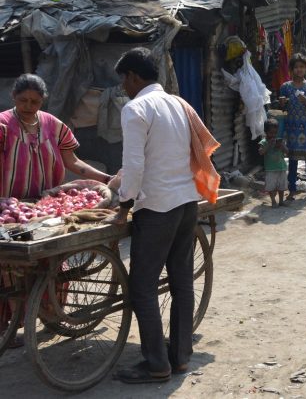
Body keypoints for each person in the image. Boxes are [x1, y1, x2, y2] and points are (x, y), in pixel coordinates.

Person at [111, 47, 219, 383]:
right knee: (181, 282)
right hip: (187, 203)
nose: (123, 88)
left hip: (157, 208)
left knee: (142, 287)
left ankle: (156, 363)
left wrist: (123, 205)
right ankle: (180, 356)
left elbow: (134, 167)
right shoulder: (180, 104)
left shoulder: (135, 109)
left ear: (133, 77)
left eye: (124, 81)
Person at [0, 73, 113, 349]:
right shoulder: (3, 125)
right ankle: (8, 325)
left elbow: (73, 161)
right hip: (9, 208)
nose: (29, 106)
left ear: (42, 100)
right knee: (9, 267)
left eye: (35, 101)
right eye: (23, 100)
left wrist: (107, 181)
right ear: (14, 97)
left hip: (45, 208)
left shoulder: (53, 126)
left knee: (51, 261)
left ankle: (50, 314)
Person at [278, 54, 306, 200]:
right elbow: (281, 109)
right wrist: (282, 103)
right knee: (293, 159)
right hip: (291, 127)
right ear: (291, 70)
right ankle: (292, 190)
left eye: (302, 67)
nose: (299, 70)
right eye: (296, 67)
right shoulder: (285, 87)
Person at [259, 118, 288, 207]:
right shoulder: (263, 142)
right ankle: (273, 201)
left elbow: (287, 151)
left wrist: (282, 146)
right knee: (271, 187)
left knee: (281, 186)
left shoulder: (280, 141)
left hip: (281, 167)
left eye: (275, 133)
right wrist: (268, 144)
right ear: (266, 132)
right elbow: (261, 152)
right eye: (271, 133)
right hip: (270, 169)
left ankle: (281, 201)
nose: (273, 135)